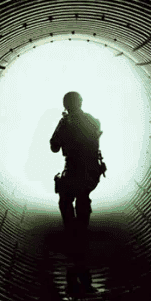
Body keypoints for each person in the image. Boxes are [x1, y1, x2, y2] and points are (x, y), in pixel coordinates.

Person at [50, 91, 104, 231]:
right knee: (83, 195)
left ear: (66, 105)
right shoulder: (92, 120)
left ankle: (71, 231)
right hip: (92, 170)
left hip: (74, 170)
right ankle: (81, 229)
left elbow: (54, 147)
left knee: (65, 199)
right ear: (80, 103)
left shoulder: (65, 123)